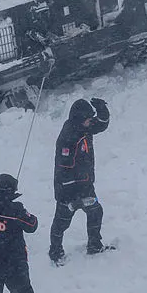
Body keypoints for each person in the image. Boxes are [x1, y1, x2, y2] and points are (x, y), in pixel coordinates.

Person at [49, 98, 111, 265]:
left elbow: (101, 124)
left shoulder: (84, 128)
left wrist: (102, 109)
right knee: (62, 222)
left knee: (95, 212)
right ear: (79, 119)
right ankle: (55, 252)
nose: (91, 121)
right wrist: (74, 198)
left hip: (85, 186)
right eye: (88, 118)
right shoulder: (68, 138)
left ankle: (94, 245)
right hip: (68, 190)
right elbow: (65, 171)